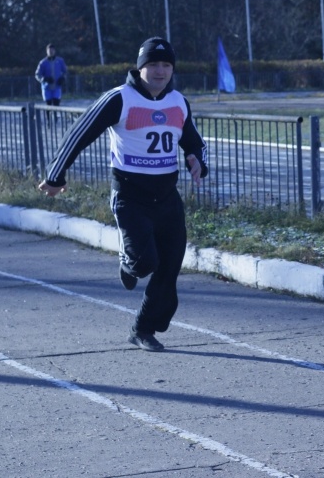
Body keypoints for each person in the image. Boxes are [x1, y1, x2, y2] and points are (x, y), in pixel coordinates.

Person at [38, 37, 209, 353]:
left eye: (166, 65)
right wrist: (54, 176)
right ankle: (130, 261)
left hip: (167, 197)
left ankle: (143, 329)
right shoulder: (120, 98)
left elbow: (194, 141)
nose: (160, 71)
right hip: (130, 197)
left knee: (169, 268)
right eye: (153, 65)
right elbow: (79, 134)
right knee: (145, 263)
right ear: (140, 67)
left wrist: (197, 159)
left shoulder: (178, 102)